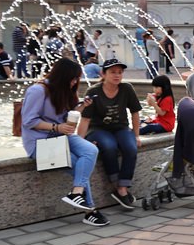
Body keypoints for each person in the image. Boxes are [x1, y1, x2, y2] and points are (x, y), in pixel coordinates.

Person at [20, 58, 107, 226]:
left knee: (90, 150)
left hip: (59, 136)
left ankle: (76, 193)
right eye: (73, 78)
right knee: (78, 166)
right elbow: (29, 121)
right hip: (40, 142)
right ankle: (90, 211)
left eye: (77, 79)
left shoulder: (65, 91)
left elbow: (64, 119)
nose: (75, 82)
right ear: (62, 76)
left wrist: (80, 109)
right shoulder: (38, 90)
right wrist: (57, 128)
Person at [77, 58, 141, 210]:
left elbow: (135, 113)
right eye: (112, 72)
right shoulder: (93, 92)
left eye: (120, 72)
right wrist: (80, 142)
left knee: (131, 147)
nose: (117, 75)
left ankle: (122, 187)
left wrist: (137, 135)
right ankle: (115, 184)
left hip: (121, 128)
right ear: (103, 74)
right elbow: (85, 119)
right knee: (109, 146)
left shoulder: (127, 89)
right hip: (98, 130)